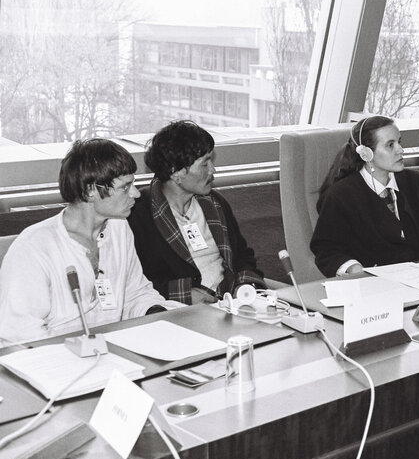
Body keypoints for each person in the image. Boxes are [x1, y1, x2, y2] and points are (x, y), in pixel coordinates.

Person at [0, 139, 183, 343]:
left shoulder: (119, 228)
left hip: (113, 353)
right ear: (90, 191)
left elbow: (136, 293)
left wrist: (157, 314)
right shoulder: (34, 248)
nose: (136, 193)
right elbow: (19, 335)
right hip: (57, 362)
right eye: (126, 187)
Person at [310, 115, 419, 278]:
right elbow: (327, 249)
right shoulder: (341, 195)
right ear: (366, 154)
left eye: (399, 142)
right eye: (390, 145)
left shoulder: (415, 182)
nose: (400, 150)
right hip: (378, 286)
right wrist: (353, 268)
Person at [128, 120, 266, 305]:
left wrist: (245, 285)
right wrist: (183, 295)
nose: (213, 170)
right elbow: (134, 281)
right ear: (175, 172)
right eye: (204, 164)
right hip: (178, 311)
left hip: (231, 303)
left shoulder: (215, 204)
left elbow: (242, 255)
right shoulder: (138, 214)